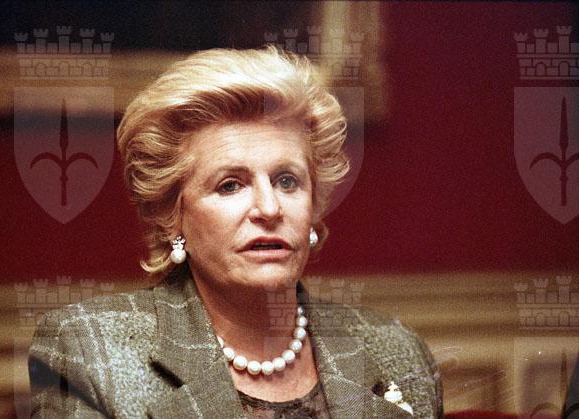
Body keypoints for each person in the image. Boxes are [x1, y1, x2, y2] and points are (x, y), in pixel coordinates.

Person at [28, 46, 443, 418]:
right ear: (171, 214)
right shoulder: (92, 350)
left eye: (287, 181)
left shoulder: (395, 349)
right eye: (230, 185)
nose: (269, 208)